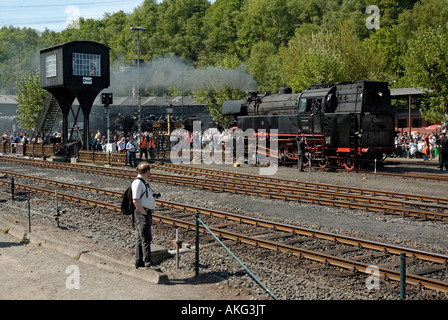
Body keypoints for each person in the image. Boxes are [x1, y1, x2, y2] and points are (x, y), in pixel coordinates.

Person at [132, 161, 159, 270]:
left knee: (140, 238)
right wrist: (144, 213)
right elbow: (135, 200)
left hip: (144, 212)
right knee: (146, 238)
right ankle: (148, 262)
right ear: (147, 171)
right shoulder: (138, 183)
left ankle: (139, 261)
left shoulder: (143, 181)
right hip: (142, 213)